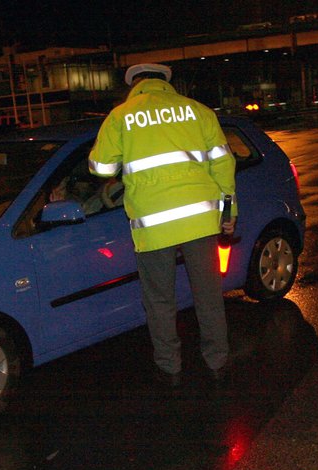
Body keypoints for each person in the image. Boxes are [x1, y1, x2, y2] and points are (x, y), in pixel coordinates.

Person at [89, 63, 237, 387]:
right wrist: (228, 213)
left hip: (154, 225)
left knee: (159, 300)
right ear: (166, 83)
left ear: (136, 84)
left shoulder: (121, 116)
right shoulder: (198, 111)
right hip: (200, 220)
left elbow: (100, 167)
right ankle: (218, 362)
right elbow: (225, 164)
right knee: (208, 295)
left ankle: (170, 368)